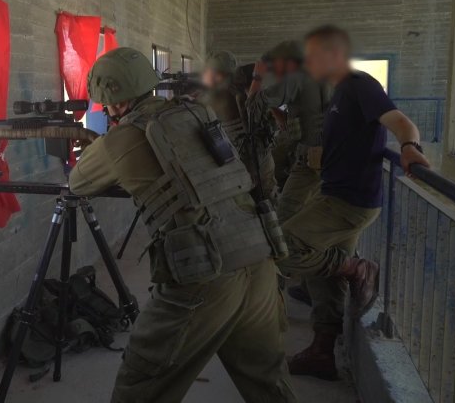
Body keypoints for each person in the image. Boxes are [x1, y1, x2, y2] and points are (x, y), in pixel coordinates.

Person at [69, 47, 296, 403]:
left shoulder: (120, 139)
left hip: (206, 270)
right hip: (258, 252)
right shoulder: (195, 110)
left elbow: (78, 183)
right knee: (266, 383)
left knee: (141, 383)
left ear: (110, 103)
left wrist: (96, 145)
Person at [277, 25, 430, 380]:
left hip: (349, 202)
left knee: (283, 246)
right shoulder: (339, 92)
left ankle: (358, 269)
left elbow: (401, 122)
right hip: (334, 193)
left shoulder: (361, 85)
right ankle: (322, 351)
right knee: (323, 276)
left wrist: (410, 147)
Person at [249, 41, 332, 306]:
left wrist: (258, 75)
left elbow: (253, 105)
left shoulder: (297, 77)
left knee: (283, 222)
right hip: (333, 162)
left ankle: (274, 286)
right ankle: (312, 286)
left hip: (310, 163)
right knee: (316, 226)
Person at [201, 51, 278, 203]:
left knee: (245, 206)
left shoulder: (215, 96)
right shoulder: (248, 87)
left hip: (242, 159)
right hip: (263, 153)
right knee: (270, 202)